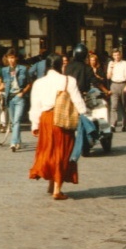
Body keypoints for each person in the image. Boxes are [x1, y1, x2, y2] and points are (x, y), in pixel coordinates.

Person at [28, 53, 88, 200]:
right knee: (62, 152)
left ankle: (50, 184)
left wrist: (35, 125)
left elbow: (35, 106)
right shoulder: (68, 80)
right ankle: (57, 189)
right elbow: (78, 102)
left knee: (48, 151)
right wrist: (85, 115)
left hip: (46, 119)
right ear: (61, 65)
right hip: (63, 119)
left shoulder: (39, 83)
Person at [2, 48, 32, 152]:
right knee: (13, 122)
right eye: (9, 58)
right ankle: (18, 141)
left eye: (13, 57)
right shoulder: (4, 70)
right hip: (10, 98)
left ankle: (13, 143)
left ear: (16, 58)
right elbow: (4, 84)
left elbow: (29, 83)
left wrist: (22, 92)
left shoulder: (23, 69)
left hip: (19, 97)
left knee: (17, 120)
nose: (11, 60)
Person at [105, 49, 126, 131]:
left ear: (120, 55)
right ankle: (113, 124)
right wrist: (110, 68)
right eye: (115, 55)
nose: (117, 57)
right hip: (114, 85)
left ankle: (124, 124)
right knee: (114, 106)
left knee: (124, 106)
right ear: (112, 56)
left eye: (118, 55)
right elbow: (108, 77)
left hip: (123, 84)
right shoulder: (111, 63)